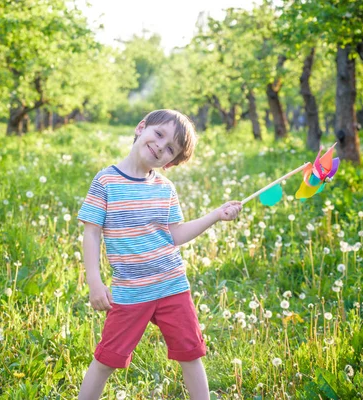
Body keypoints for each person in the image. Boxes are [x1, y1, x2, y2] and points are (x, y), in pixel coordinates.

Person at [77, 109, 243, 400]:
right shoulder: (106, 182)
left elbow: (175, 234)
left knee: (191, 353)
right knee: (107, 359)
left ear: (170, 163)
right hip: (130, 292)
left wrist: (216, 215)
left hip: (172, 286)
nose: (160, 146)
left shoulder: (165, 189)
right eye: (159, 134)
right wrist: (94, 281)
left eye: (170, 150)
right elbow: (91, 232)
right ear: (142, 128)